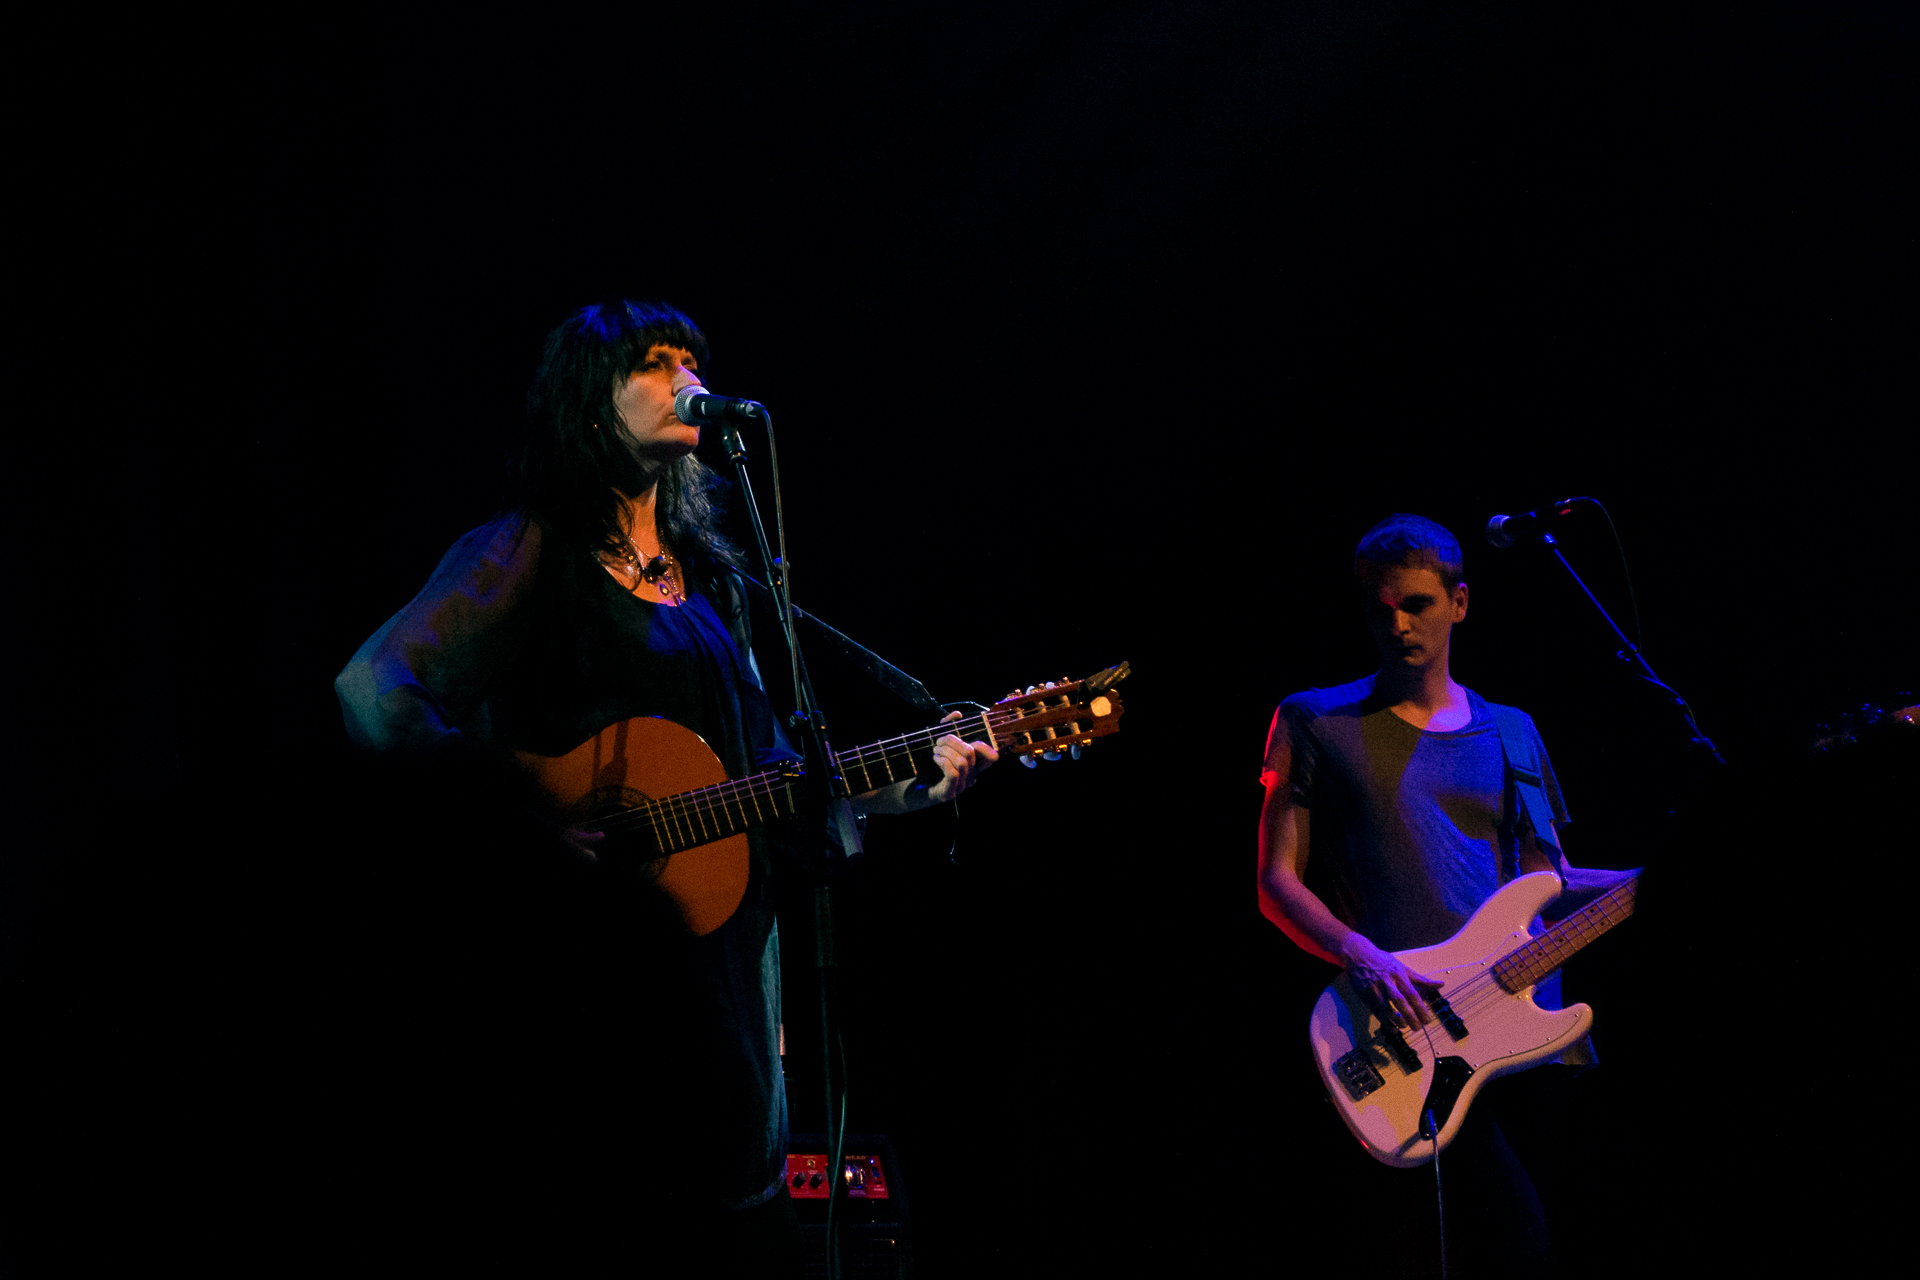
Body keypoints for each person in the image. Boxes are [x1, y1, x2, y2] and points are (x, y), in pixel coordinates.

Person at [334, 299, 997, 1269]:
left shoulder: (719, 587)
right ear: (592, 402)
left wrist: (913, 783)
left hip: (721, 1026)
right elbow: (372, 690)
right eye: (657, 361)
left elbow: (779, 784)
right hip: (584, 1024)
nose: (690, 377)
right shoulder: (531, 550)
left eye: (695, 359)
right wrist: (530, 823)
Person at [1256, 513, 1632, 1275]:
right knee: (1516, 1250)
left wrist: (1645, 881)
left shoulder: (1515, 732)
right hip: (1417, 1036)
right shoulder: (1316, 720)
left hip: (1535, 1037)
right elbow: (1275, 881)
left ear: (1460, 602)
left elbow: (1547, 883)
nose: (1397, 625)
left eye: (1417, 605)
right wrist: (1358, 953)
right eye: (1379, 608)